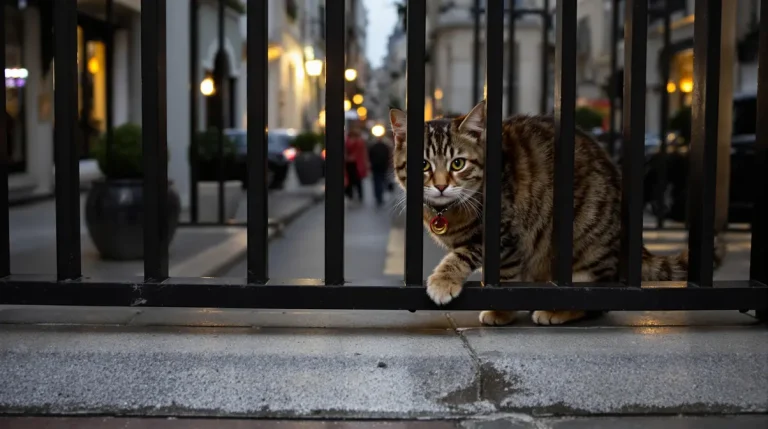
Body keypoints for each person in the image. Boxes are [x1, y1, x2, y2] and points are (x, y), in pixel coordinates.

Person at [344, 127, 368, 203]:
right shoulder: (347, 141)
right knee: (349, 181)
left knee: (358, 181)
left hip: (357, 164)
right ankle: (350, 195)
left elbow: (361, 153)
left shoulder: (360, 141)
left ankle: (359, 196)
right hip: (348, 164)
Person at [368, 136, 392, 207]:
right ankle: (379, 195)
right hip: (378, 166)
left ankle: (379, 195)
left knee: (379, 181)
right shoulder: (375, 146)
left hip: (381, 166)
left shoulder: (385, 146)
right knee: (379, 181)